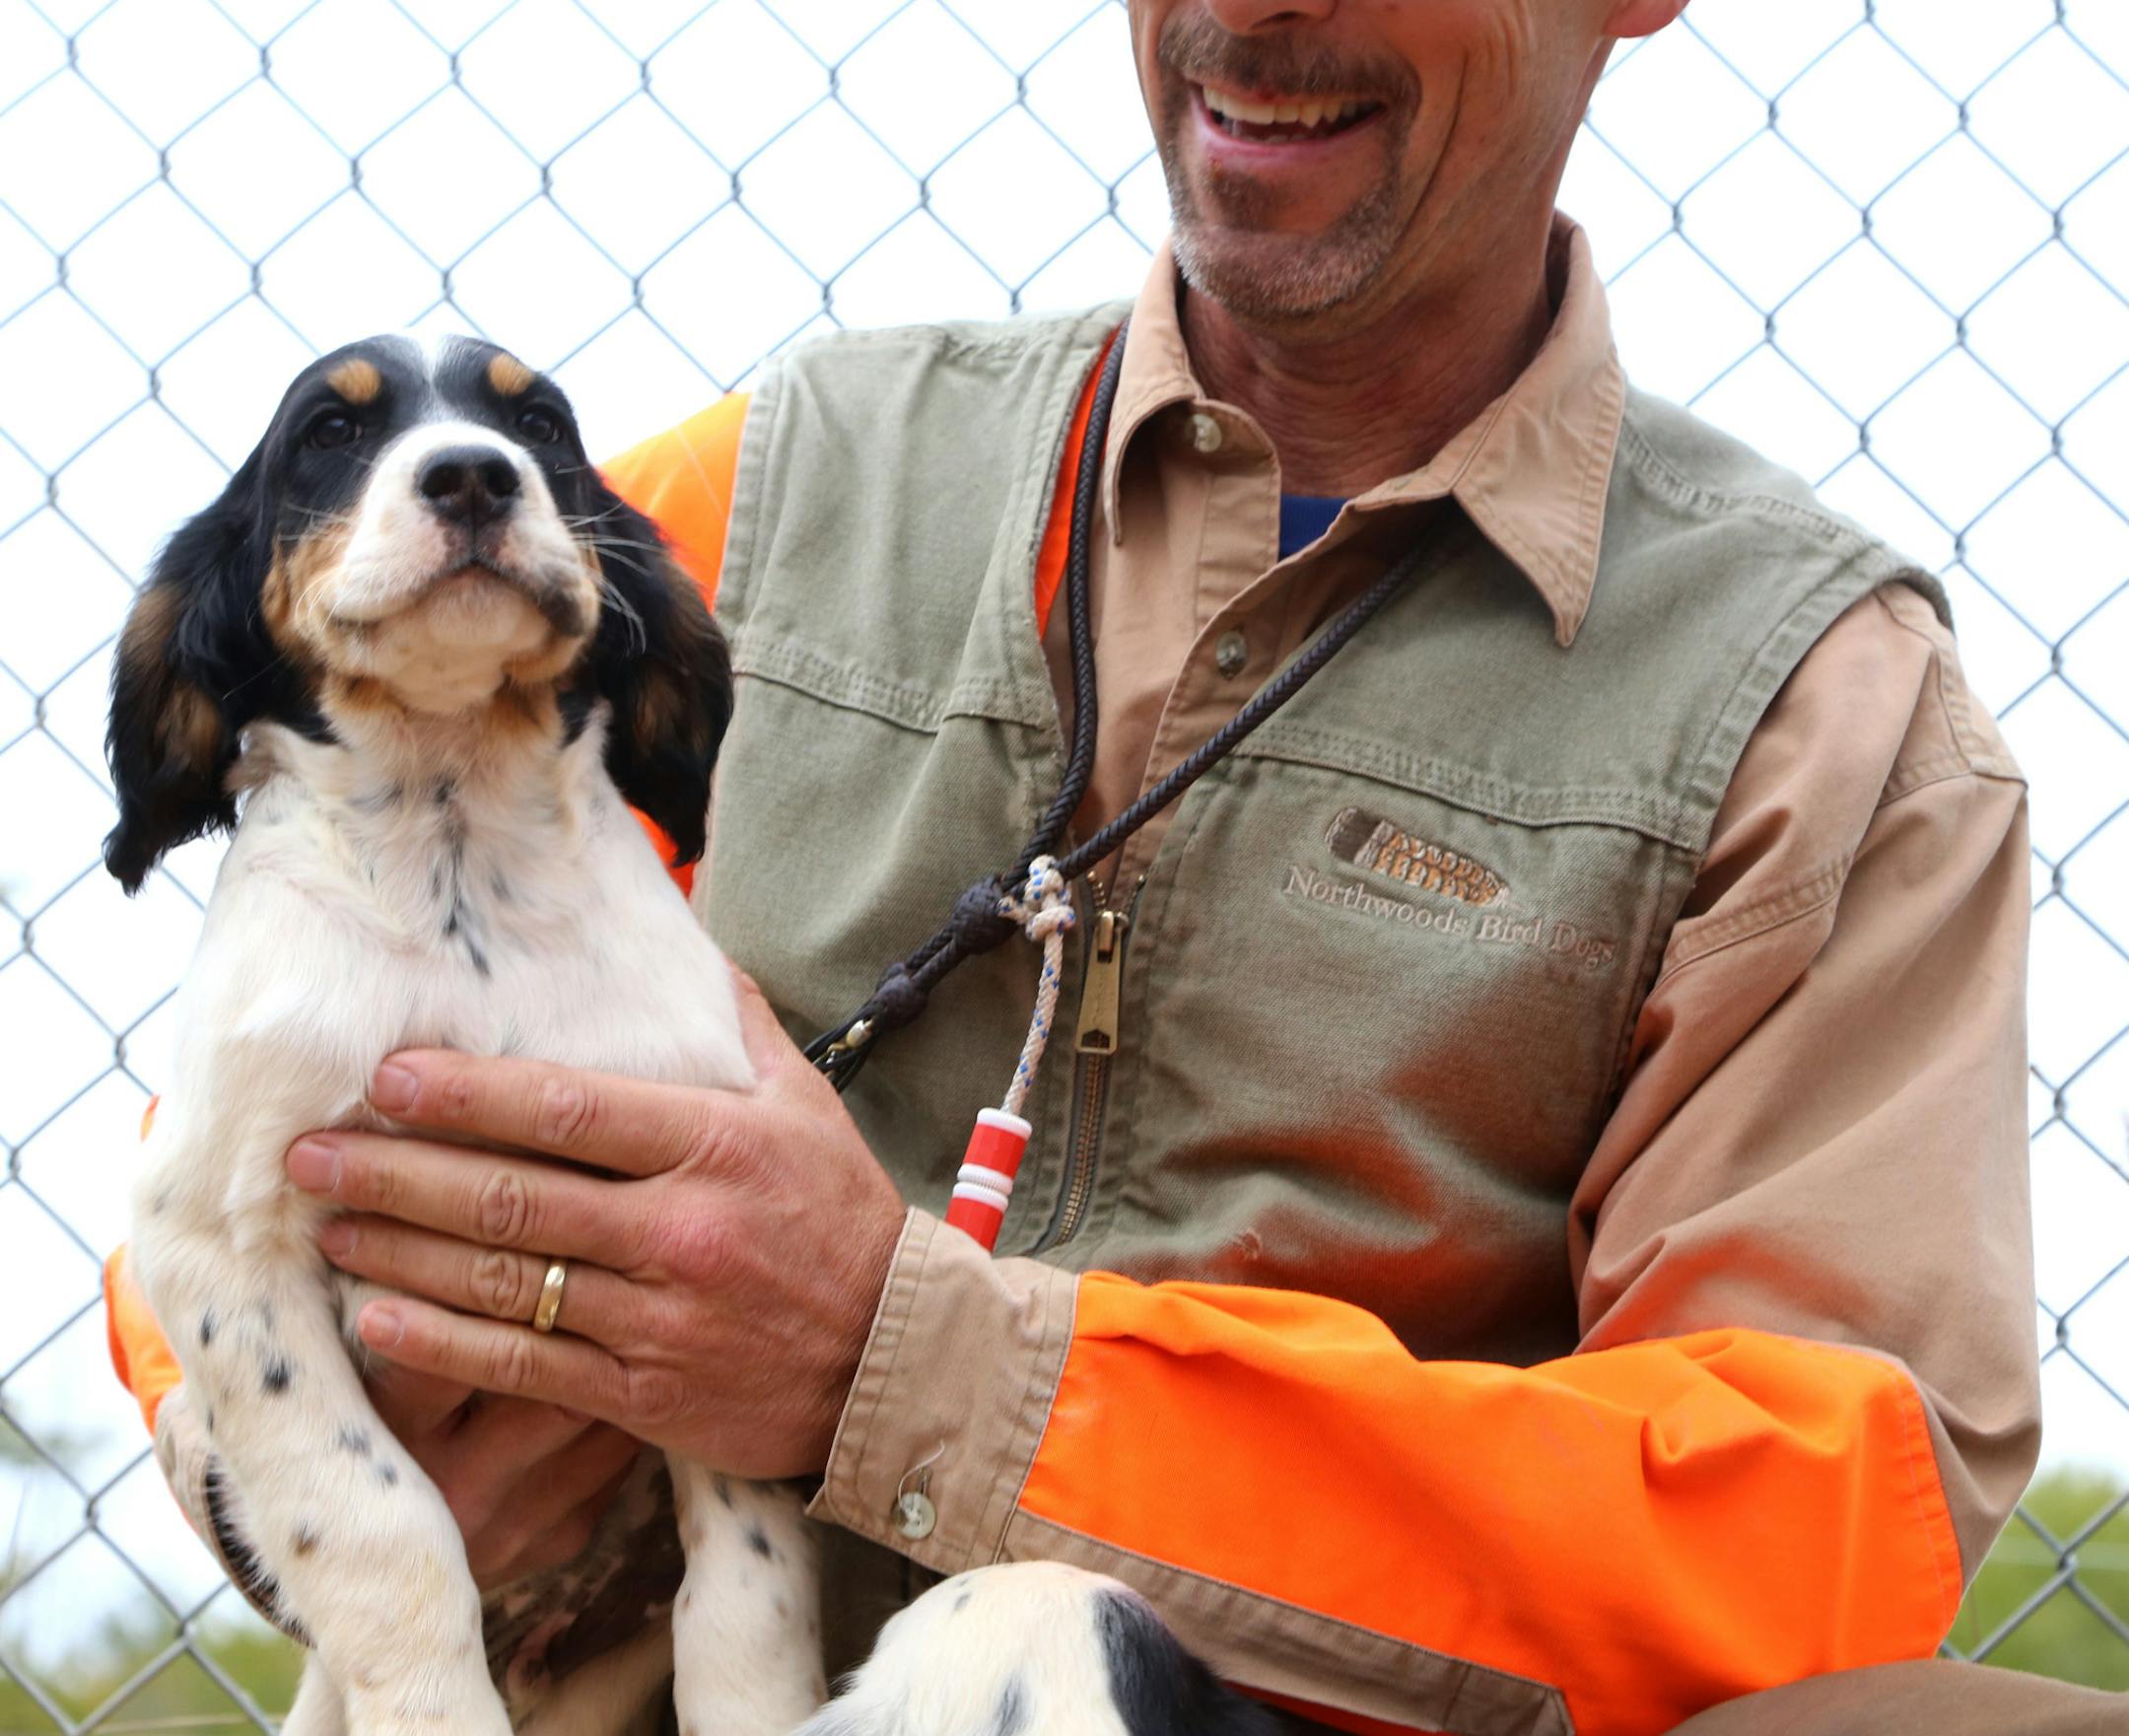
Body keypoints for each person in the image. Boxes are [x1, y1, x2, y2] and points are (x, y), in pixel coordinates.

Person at [105, 1, 2122, 1730]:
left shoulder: (1822, 710)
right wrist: (316, 1461)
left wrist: (917, 1361)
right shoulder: (759, 497)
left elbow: (1810, 1532)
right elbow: (240, 1145)